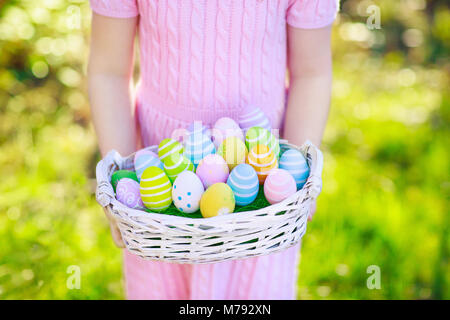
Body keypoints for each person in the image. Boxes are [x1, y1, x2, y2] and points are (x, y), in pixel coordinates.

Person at [88, 0, 337, 299]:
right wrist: (121, 179)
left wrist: (294, 178)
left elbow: (311, 73)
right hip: (162, 178)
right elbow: (109, 71)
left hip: (260, 180)